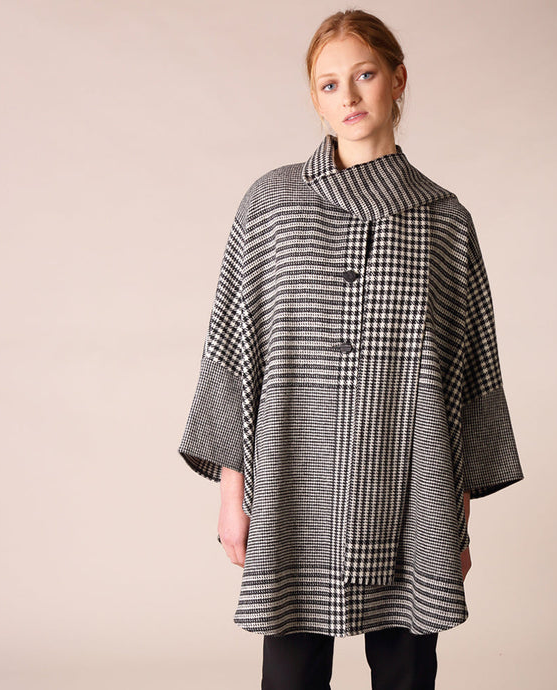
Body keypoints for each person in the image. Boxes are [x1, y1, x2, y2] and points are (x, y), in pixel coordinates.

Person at [177, 9, 524, 690]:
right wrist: (231, 498)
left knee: (405, 674)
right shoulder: (271, 206)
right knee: (291, 677)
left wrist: (455, 519)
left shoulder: (445, 221)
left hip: (412, 488)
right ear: (315, 99)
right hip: (292, 484)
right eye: (329, 84)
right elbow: (233, 355)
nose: (349, 97)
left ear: (398, 79)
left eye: (364, 75)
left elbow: (469, 372)